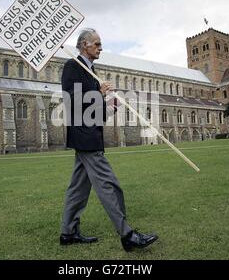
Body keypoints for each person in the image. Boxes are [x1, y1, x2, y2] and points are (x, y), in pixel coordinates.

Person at [59, 28, 158, 251]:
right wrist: (99, 92)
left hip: (90, 134)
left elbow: (92, 111)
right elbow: (70, 100)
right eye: (97, 44)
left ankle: (68, 233)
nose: (100, 48)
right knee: (109, 184)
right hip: (85, 137)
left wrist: (111, 107)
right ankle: (128, 236)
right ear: (85, 45)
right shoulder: (72, 66)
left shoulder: (91, 70)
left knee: (78, 188)